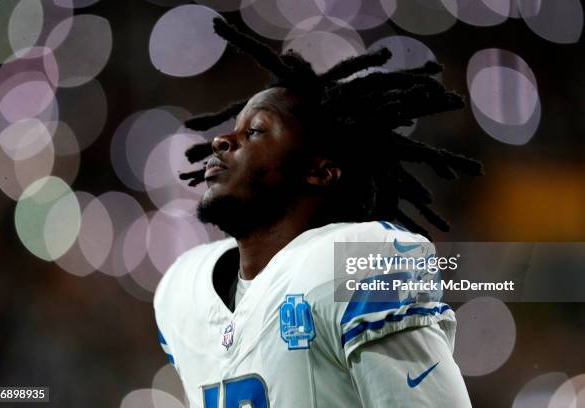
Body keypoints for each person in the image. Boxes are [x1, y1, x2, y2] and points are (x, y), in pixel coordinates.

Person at [154, 17, 482, 407]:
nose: (222, 141)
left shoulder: (356, 265)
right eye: (232, 130)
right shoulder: (183, 291)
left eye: (255, 131)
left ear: (319, 171)